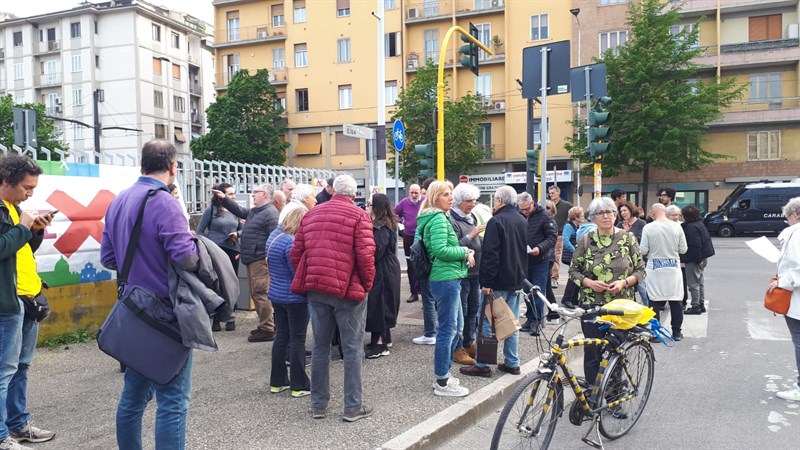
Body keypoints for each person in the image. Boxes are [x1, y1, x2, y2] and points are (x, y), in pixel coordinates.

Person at [100, 140, 200, 450]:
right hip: (165, 313)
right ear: (173, 167)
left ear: (142, 164)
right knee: (172, 399)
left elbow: (108, 258)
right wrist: (195, 242)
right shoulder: (165, 201)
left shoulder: (119, 200)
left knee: (133, 396)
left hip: (133, 310)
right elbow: (187, 259)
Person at [290, 174, 376, 421]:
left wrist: (310, 277)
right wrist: (366, 285)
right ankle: (352, 407)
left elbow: (297, 253)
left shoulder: (312, 214)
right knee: (351, 348)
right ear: (353, 194)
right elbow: (366, 257)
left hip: (317, 288)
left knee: (319, 346)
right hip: (348, 290)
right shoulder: (359, 216)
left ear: (331, 191)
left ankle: (318, 405)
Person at [0, 155, 55, 450]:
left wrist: (34, 231)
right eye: (26, 187)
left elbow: (21, 248)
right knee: (3, 370)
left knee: (21, 366)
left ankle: (18, 425)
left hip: (28, 297)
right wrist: (22, 227)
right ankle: (1, 437)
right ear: (6, 181)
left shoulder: (15, 208)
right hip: (7, 302)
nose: (30, 193)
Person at [569, 197, 645, 387]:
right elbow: (573, 271)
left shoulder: (627, 238)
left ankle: (614, 393)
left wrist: (624, 282)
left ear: (615, 214)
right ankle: (592, 393)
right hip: (592, 304)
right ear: (593, 218)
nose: (606, 216)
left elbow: (641, 270)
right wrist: (589, 282)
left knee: (616, 350)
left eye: (610, 211)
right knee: (592, 351)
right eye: (600, 213)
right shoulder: (586, 240)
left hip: (619, 305)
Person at [460, 186, 527, 378]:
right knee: (511, 323)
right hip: (515, 280)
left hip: (497, 281)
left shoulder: (496, 221)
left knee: (488, 323)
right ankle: (512, 362)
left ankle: (483, 364)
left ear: (498, 201)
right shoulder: (521, 220)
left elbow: (490, 255)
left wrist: (486, 282)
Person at [416, 181, 474, 397]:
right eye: (445, 194)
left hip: (447, 277)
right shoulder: (439, 219)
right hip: (446, 277)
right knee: (448, 330)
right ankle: (442, 380)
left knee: (454, 327)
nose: (451, 198)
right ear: (434, 198)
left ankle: (444, 375)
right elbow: (440, 250)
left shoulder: (434, 217)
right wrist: (465, 251)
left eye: (451, 194)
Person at [215, 184, 279, 342]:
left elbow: (274, 237)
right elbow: (240, 211)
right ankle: (265, 325)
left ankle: (268, 328)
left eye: (256, 192)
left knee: (260, 293)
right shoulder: (257, 211)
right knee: (256, 293)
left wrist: (268, 258)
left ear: (264, 195)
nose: (253, 194)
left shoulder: (270, 213)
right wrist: (225, 199)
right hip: (253, 258)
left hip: (260, 259)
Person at [266, 207, 311, 398]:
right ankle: (299, 384)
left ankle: (278, 381)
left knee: (281, 337)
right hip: (294, 297)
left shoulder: (274, 236)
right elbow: (297, 273)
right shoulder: (291, 243)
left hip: (276, 294)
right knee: (297, 340)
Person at [196, 182, 241, 331]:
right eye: (230, 194)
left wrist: (237, 234)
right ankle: (216, 318)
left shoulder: (236, 211)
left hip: (232, 250)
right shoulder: (212, 210)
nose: (233, 196)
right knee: (217, 283)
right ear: (220, 195)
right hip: (215, 250)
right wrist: (204, 249)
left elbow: (243, 229)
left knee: (231, 283)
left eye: (234, 193)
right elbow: (200, 231)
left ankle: (231, 316)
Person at [449, 183, 485, 365]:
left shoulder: (471, 217)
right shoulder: (452, 220)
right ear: (459, 201)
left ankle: (468, 342)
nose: (473, 204)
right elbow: (454, 246)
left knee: (472, 310)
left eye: (475, 200)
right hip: (461, 273)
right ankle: (457, 348)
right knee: (460, 312)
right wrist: (473, 235)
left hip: (475, 273)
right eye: (469, 201)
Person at [640, 203, 688, 341]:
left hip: (654, 268)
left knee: (654, 300)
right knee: (676, 299)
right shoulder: (677, 227)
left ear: (652, 213)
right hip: (673, 268)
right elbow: (683, 249)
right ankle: (677, 332)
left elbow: (643, 250)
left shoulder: (648, 228)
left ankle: (655, 333)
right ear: (666, 212)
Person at [769, 197, 800, 402]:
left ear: (795, 214)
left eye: (787, 217)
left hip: (797, 297)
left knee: (798, 341)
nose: (787, 221)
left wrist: (781, 282)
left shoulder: (796, 235)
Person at [364, 194, 401, 359]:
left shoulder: (379, 227)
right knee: (384, 303)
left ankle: (379, 344)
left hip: (382, 270)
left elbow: (377, 250)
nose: (367, 207)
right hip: (390, 267)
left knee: (378, 304)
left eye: (370, 204)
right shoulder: (390, 223)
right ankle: (384, 337)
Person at [522, 195, 557, 336]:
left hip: (540, 259)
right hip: (525, 259)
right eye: (522, 209)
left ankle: (536, 320)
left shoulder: (545, 216)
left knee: (538, 291)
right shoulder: (521, 215)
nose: (524, 212)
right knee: (527, 291)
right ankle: (530, 318)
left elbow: (552, 237)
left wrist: (540, 248)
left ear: (532, 203)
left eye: (526, 209)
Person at [681, 205, 714, 315]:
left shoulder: (690, 228)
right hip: (703, 256)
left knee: (693, 283)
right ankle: (700, 304)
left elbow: (695, 245)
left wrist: (698, 259)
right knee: (700, 282)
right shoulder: (699, 224)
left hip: (694, 258)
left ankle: (695, 306)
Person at [394, 184, 423, 304]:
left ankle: (423, 290)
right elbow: (394, 213)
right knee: (410, 264)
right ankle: (414, 292)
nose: (414, 195)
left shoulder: (425, 201)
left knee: (423, 263)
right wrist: (401, 222)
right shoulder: (404, 202)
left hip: (422, 237)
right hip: (408, 236)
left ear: (420, 192)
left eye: (416, 193)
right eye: (412, 193)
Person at [619, 201, 649, 306]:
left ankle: (649, 310)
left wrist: (627, 233)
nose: (622, 213)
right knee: (627, 288)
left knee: (642, 288)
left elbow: (641, 240)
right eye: (621, 211)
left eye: (625, 210)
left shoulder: (641, 223)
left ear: (631, 210)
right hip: (624, 261)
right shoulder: (620, 224)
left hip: (638, 260)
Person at [548, 186, 573, 289]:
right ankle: (548, 277)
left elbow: (572, 216)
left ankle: (554, 278)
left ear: (558, 193)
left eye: (553, 193)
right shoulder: (547, 204)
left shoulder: (567, 205)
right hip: (547, 234)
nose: (551, 195)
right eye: (550, 193)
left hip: (559, 234)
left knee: (556, 256)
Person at [560, 206, 585, 309]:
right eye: (581, 215)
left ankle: (574, 299)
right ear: (576, 217)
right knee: (573, 277)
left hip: (574, 255)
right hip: (571, 256)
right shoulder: (569, 226)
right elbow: (565, 240)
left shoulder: (576, 226)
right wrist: (576, 252)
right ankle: (567, 299)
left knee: (576, 276)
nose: (583, 217)